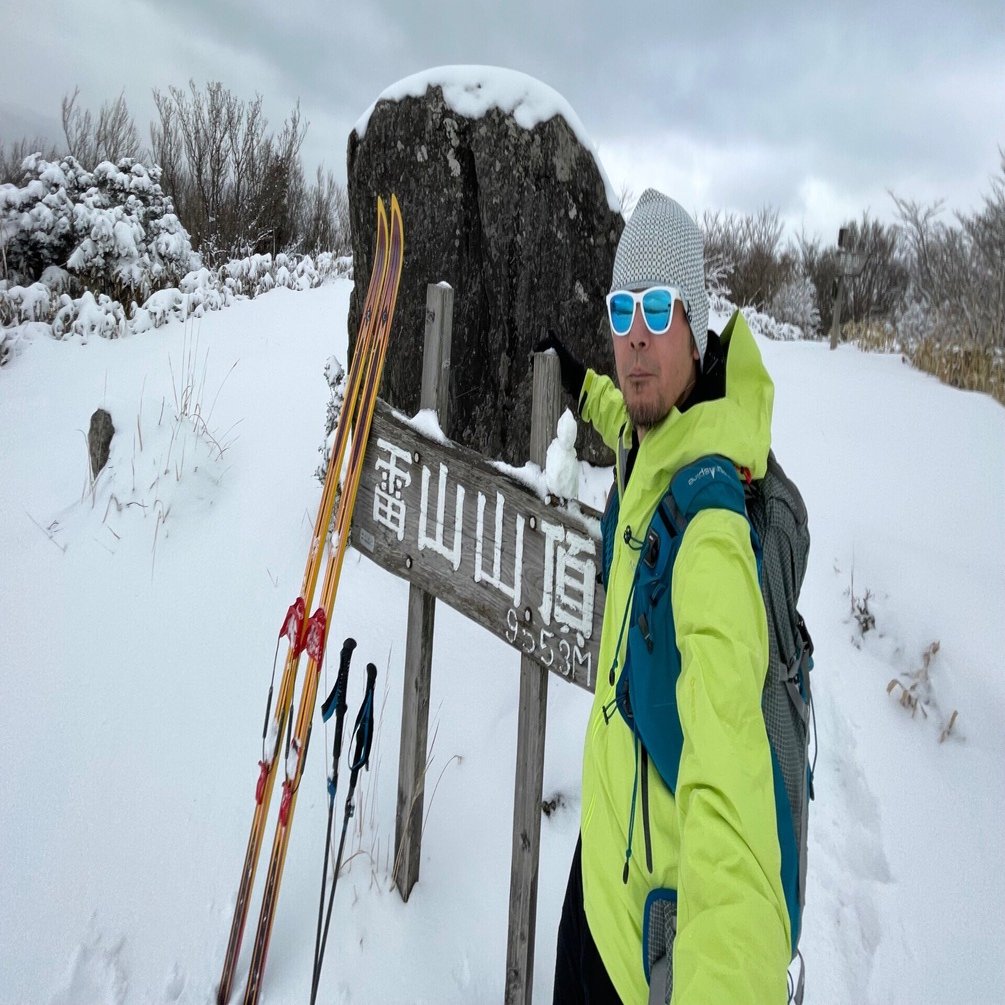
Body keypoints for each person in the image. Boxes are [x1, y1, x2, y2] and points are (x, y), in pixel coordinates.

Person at [545, 189, 791, 1003]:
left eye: (657, 308)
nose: (637, 334)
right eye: (622, 309)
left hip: (651, 949)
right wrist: (582, 383)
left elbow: (730, 790)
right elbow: (629, 413)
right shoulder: (654, 437)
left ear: (695, 320)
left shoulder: (710, 523)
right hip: (600, 872)